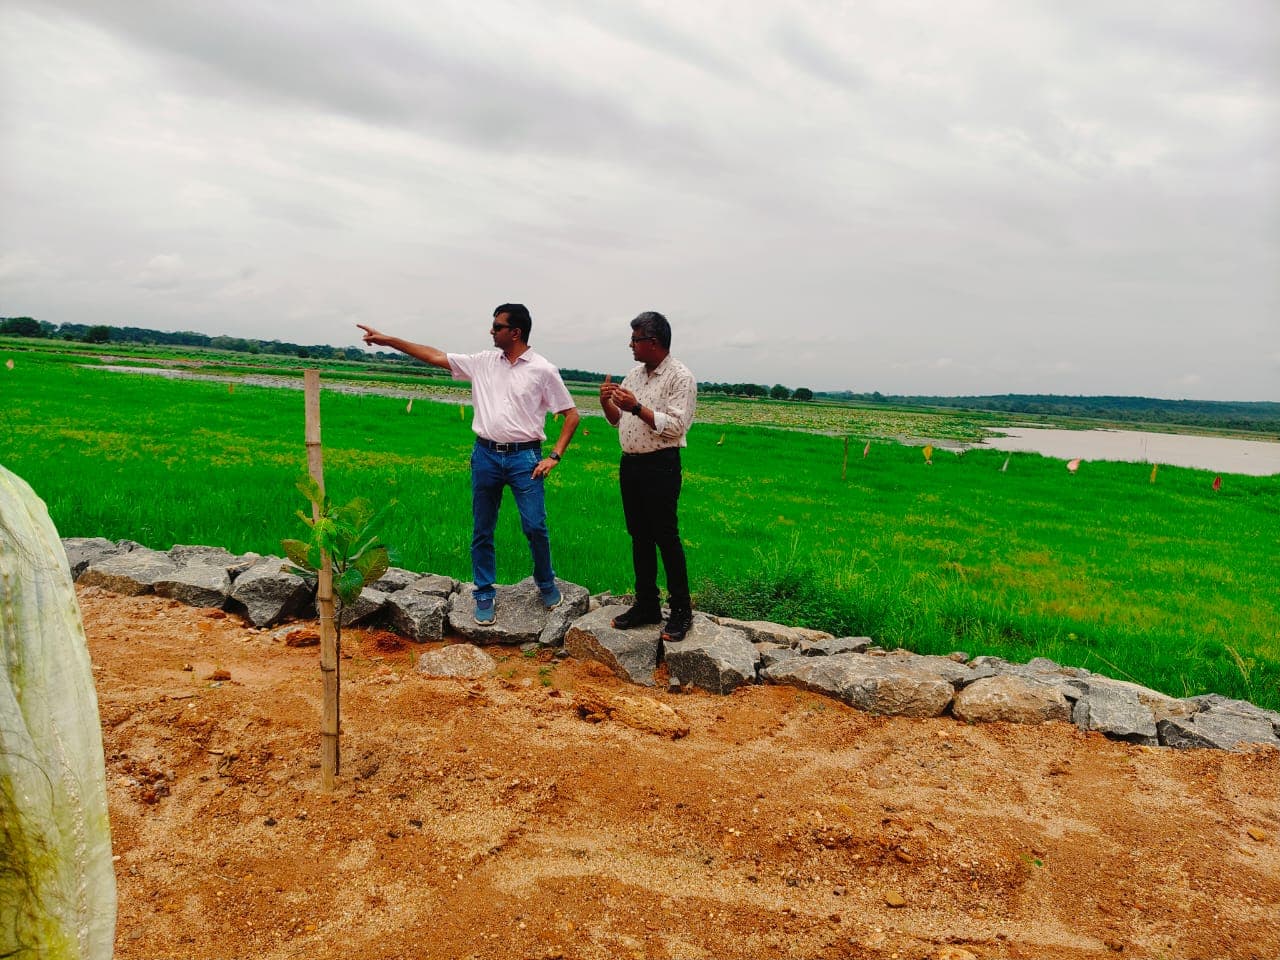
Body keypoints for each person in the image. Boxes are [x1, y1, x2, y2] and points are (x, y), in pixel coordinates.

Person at [357, 305, 579, 623]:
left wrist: (554, 456)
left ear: (515, 332)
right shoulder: (482, 362)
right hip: (486, 454)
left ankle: (545, 582)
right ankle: (485, 592)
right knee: (482, 528)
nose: (492, 331)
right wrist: (388, 340)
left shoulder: (543, 370)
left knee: (535, 526)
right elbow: (433, 356)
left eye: (497, 326)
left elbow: (571, 415)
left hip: (525, 458)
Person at [598, 311, 697, 642]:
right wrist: (607, 403)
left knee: (665, 537)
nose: (631, 345)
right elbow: (617, 421)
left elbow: (677, 426)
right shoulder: (634, 374)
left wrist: (637, 406)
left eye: (635, 339)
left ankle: (681, 611)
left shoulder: (680, 377)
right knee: (639, 536)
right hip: (632, 465)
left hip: (661, 465)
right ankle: (647, 605)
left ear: (652, 343)